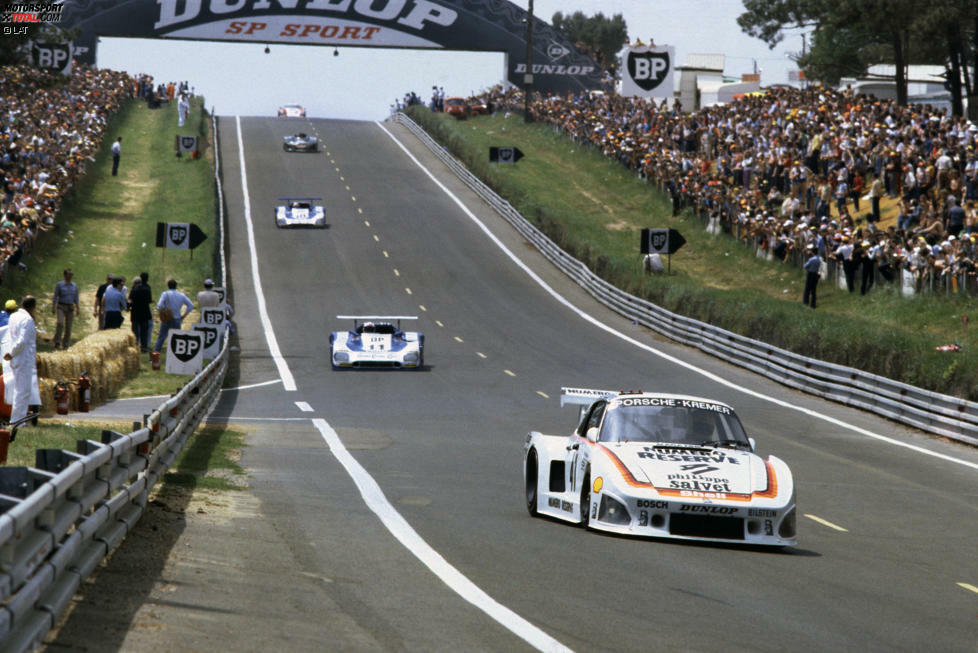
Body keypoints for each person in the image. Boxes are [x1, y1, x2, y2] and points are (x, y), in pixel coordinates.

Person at [5, 296, 39, 426]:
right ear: (32, 307)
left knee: (17, 390)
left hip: (16, 358)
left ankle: (16, 419)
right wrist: (11, 353)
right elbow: (22, 341)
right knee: (23, 391)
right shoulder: (27, 320)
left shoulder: (13, 316)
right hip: (23, 358)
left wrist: (10, 353)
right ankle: (17, 421)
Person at [154, 279, 194, 353]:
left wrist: (162, 312)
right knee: (176, 337)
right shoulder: (182, 295)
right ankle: (175, 352)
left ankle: (156, 352)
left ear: (168, 286)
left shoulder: (165, 294)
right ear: (176, 286)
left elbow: (159, 306)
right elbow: (190, 306)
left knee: (162, 337)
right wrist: (184, 316)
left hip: (167, 319)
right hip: (177, 319)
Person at [52, 268, 79, 349]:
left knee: (68, 327)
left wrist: (78, 308)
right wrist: (53, 307)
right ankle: (57, 341)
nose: (70, 276)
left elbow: (76, 297)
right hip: (61, 306)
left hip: (70, 307)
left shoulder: (74, 286)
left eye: (71, 275)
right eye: (69, 274)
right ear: (65, 275)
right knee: (60, 323)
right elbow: (55, 296)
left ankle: (66, 343)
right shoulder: (59, 285)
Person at [128, 271, 153, 352]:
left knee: (135, 330)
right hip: (145, 311)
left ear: (140, 278)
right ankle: (144, 347)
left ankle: (135, 345)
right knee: (144, 330)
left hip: (135, 311)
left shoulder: (135, 288)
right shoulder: (148, 287)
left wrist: (128, 307)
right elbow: (149, 300)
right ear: (147, 279)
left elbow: (130, 300)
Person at [802, 244, 821, 309]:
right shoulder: (818, 259)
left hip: (810, 274)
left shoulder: (811, 259)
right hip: (816, 274)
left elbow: (805, 266)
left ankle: (805, 302)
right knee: (813, 290)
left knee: (807, 289)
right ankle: (813, 304)